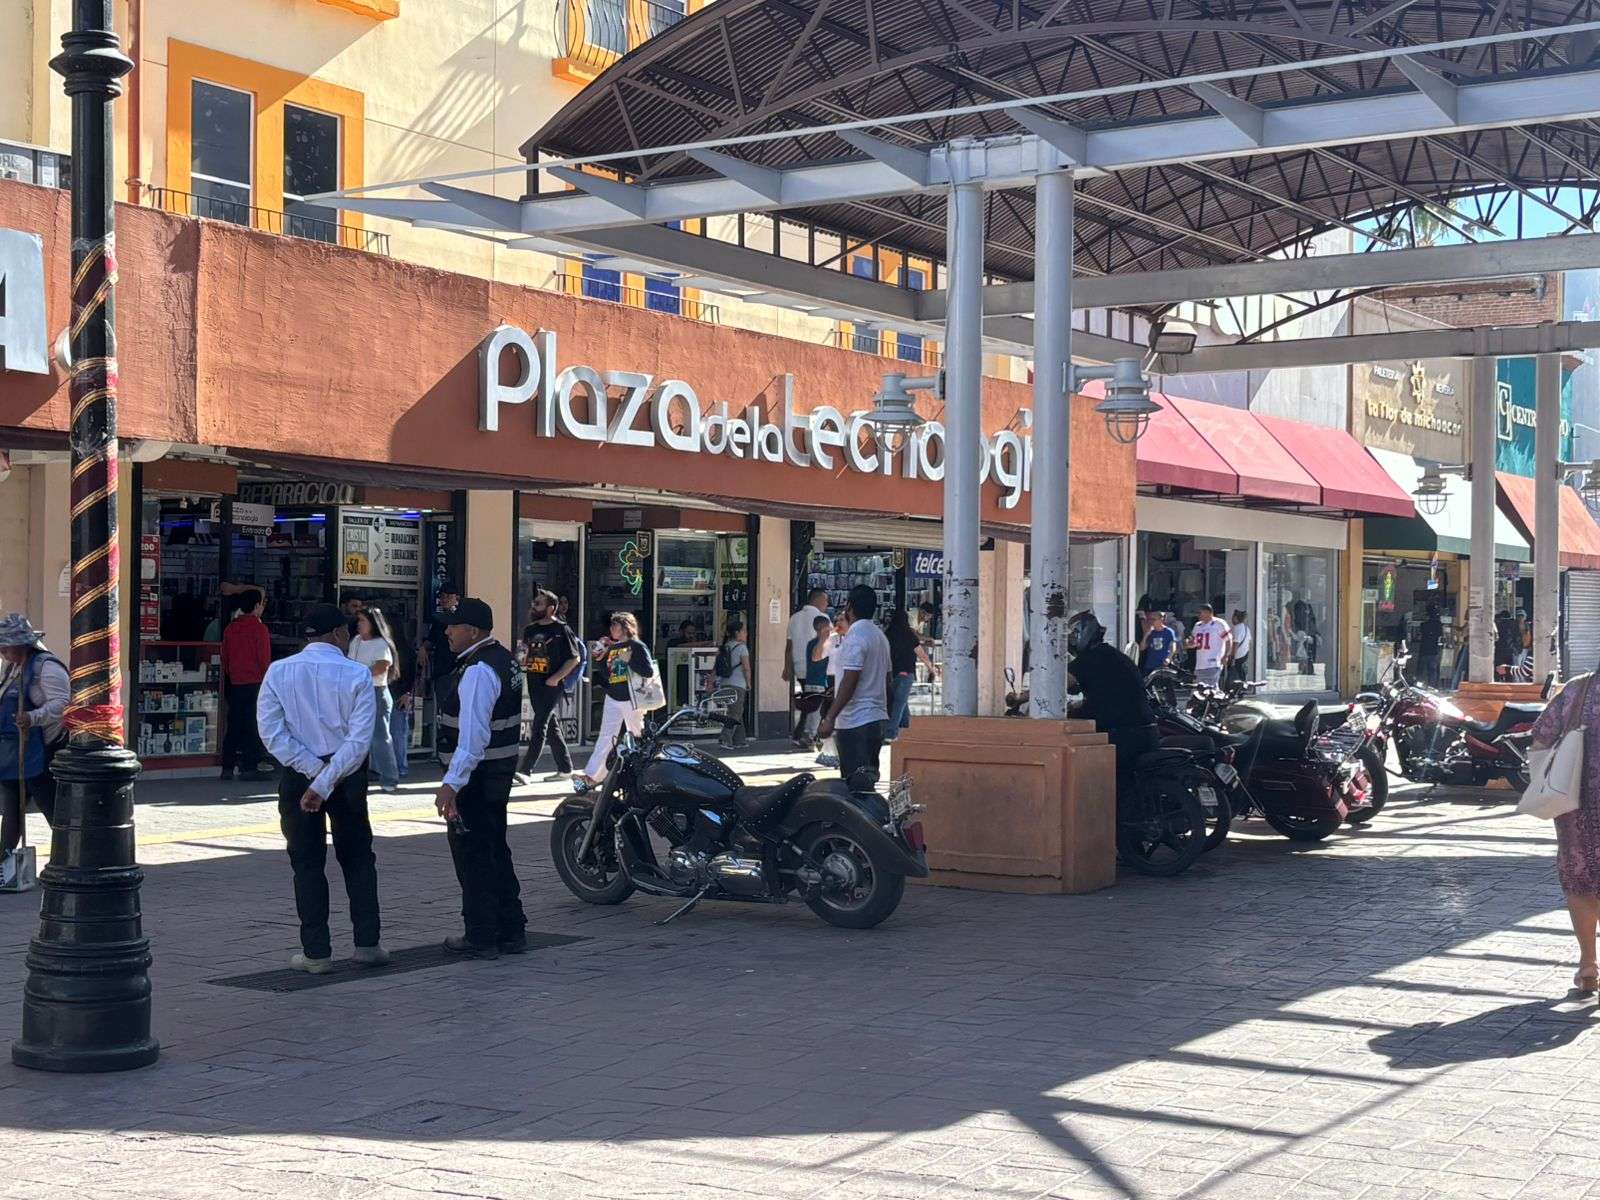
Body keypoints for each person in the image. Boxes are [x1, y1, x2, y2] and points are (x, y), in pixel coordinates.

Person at [256, 603, 386, 974]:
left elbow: (271, 733)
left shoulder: (279, 671)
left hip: (299, 776)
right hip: (346, 775)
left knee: (306, 863)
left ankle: (316, 953)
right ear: (339, 634)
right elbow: (359, 741)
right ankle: (367, 944)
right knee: (358, 858)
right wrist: (328, 778)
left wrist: (314, 775)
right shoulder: (356, 674)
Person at [432, 598, 527, 959]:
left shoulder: (478, 670)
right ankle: (511, 930)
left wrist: (451, 784)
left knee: (473, 856)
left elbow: (473, 737)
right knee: (495, 850)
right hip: (496, 775)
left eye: (453, 626)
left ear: (472, 631)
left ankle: (481, 935)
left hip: (476, 778)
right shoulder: (504, 660)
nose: (447, 631)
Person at [1529, 673, 1600, 994]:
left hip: (1573, 803)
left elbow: (1541, 737)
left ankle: (1588, 964)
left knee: (1578, 879)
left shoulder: (1578, 688)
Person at [0, 615, 67, 854]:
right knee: (11, 811)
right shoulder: (11, 668)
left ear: (22, 644)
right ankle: (5, 861)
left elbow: (62, 704)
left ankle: (65, 858)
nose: (2, 651)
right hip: (13, 753)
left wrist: (33, 717)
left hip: (42, 753)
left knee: (51, 808)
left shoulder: (47, 667)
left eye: (6, 646)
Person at [1066, 609, 1160, 776]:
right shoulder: (1110, 654)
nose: (1070, 641)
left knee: (1086, 771)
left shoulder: (1090, 659)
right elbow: (1107, 695)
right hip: (1143, 731)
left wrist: (1020, 698)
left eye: (1073, 635)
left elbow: (1058, 683)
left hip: (1123, 735)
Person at [818, 584, 891, 786]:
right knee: (866, 782)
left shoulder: (855, 637)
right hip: (875, 719)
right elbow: (887, 681)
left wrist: (830, 717)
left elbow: (850, 680)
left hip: (855, 721)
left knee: (853, 785)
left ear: (849, 607)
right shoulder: (879, 637)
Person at [577, 611, 656, 789]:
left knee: (637, 735)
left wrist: (628, 660)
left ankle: (644, 772)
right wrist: (601, 657)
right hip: (613, 696)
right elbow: (609, 675)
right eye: (611, 625)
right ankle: (593, 775)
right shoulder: (614, 647)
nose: (612, 628)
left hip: (632, 698)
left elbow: (648, 671)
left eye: (615, 625)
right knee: (606, 736)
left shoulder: (637, 646)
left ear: (625, 627)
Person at [515, 589, 580, 783]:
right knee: (551, 725)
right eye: (534, 603)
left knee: (540, 724)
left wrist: (556, 678)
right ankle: (565, 768)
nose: (534, 606)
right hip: (534, 679)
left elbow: (574, 658)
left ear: (551, 608)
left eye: (539, 604)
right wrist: (520, 657)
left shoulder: (562, 629)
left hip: (552, 683)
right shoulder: (530, 630)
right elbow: (522, 652)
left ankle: (526, 770)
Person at [219, 588, 272, 781]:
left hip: (235, 682)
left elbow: (225, 657)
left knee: (233, 724)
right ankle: (249, 766)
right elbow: (264, 659)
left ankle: (227, 766)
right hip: (255, 683)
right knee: (253, 725)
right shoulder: (259, 629)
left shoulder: (231, 628)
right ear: (257, 605)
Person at [348, 607, 401, 794]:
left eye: (362, 620)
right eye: (358, 620)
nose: (359, 624)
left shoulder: (381, 644)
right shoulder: (355, 641)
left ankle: (389, 777)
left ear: (373, 623)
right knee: (356, 735)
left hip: (376, 692)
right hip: (357, 692)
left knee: (380, 737)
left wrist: (358, 675)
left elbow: (381, 667)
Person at [783, 587, 829, 747]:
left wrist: (787, 667)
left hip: (800, 667)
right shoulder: (823, 618)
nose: (827, 603)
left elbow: (789, 646)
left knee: (809, 701)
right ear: (818, 600)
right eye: (825, 600)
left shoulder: (794, 618)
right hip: (818, 670)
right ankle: (809, 734)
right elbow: (828, 643)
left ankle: (801, 733)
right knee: (816, 702)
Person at [885, 607, 938, 743]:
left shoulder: (887, 634)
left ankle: (905, 727)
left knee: (900, 701)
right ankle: (891, 733)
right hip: (906, 672)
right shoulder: (909, 634)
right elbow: (922, 654)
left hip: (891, 673)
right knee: (899, 702)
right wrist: (931, 668)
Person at [796, 613, 834, 750]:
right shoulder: (823, 644)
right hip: (820, 682)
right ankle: (811, 736)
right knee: (816, 712)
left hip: (812, 681)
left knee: (813, 711)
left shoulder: (811, 643)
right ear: (822, 628)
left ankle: (810, 735)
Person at [714, 619, 751, 748]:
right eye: (744, 631)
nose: (746, 633)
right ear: (737, 633)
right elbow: (746, 668)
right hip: (738, 685)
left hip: (725, 684)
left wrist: (711, 682)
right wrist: (749, 682)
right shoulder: (742, 648)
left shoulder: (725, 647)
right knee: (735, 713)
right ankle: (725, 739)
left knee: (736, 711)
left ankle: (739, 740)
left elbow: (716, 668)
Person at [389, 628, 417, 781]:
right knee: (399, 733)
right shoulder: (407, 651)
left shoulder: (384, 648)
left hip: (391, 692)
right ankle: (400, 767)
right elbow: (412, 674)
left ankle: (397, 767)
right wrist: (407, 693)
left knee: (394, 733)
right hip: (399, 693)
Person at [1188, 604, 1233, 689]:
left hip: (1213, 662)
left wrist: (1226, 656)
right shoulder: (1197, 625)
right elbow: (1194, 643)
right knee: (1198, 689)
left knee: (1209, 688)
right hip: (1200, 663)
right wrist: (1190, 643)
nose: (1198, 615)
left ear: (1208, 612)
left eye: (1200, 613)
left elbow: (1228, 640)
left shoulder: (1219, 624)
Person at [1138, 611, 1179, 678]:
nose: (1151, 621)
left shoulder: (1169, 632)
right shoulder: (1150, 632)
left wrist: (1169, 658)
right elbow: (1142, 648)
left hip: (1163, 665)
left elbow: (1173, 647)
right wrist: (1146, 635)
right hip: (1150, 665)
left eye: (1154, 619)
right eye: (1150, 619)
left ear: (1161, 620)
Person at [1417, 604, 1444, 687]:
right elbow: (1440, 636)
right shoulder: (1438, 624)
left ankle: (1420, 687)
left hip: (1424, 650)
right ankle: (1432, 687)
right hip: (1434, 650)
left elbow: (1419, 636)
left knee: (1421, 671)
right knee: (1432, 671)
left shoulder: (1423, 625)